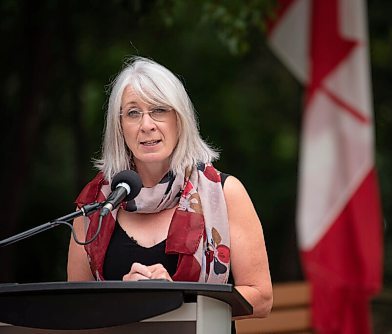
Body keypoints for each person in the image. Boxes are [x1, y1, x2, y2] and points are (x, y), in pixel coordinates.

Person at [67, 56, 273, 318]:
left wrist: (177, 298)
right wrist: (122, 297)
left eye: (159, 110)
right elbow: (75, 308)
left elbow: (262, 298)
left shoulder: (224, 193)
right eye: (133, 113)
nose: (147, 125)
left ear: (180, 119)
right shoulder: (97, 204)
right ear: (119, 127)